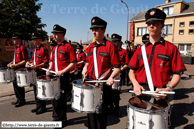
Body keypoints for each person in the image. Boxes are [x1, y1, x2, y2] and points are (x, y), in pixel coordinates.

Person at [128, 8, 187, 98]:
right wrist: (135, 84)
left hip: (160, 92)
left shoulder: (171, 49)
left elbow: (177, 73)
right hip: (139, 90)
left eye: (155, 23)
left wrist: (169, 88)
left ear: (162, 25)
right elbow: (131, 71)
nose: (151, 26)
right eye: (149, 24)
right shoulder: (140, 50)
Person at [82, 16, 121, 129]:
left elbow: (117, 67)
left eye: (97, 29)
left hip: (104, 85)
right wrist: (85, 68)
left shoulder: (110, 46)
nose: (94, 32)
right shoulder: (90, 47)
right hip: (90, 84)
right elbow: (87, 62)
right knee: (90, 113)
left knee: (101, 115)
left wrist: (111, 77)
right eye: (93, 30)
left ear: (103, 30)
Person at [46, 24, 77, 128]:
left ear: (62, 34)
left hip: (63, 77)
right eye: (53, 33)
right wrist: (49, 70)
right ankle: (56, 117)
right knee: (53, 98)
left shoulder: (68, 46)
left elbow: (73, 62)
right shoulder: (54, 48)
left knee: (61, 99)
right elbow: (52, 61)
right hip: (54, 76)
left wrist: (63, 71)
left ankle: (62, 119)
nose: (54, 35)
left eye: (55, 33)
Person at [25, 32, 49, 115]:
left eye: (35, 39)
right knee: (35, 90)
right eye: (33, 39)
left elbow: (46, 62)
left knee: (40, 90)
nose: (33, 41)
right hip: (34, 71)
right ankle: (38, 105)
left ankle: (43, 107)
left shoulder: (44, 49)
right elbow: (34, 61)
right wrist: (29, 63)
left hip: (41, 71)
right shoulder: (35, 49)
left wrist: (37, 66)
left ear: (40, 39)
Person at [7, 32, 29, 107]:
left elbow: (25, 60)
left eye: (14, 39)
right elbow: (15, 59)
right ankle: (18, 99)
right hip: (15, 68)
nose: (13, 40)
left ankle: (22, 100)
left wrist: (16, 65)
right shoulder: (16, 48)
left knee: (20, 85)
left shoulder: (22, 48)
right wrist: (10, 63)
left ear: (19, 39)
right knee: (15, 84)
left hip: (20, 68)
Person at [111, 33, 129, 116]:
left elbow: (127, 64)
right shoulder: (109, 50)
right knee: (108, 92)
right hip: (108, 73)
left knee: (115, 93)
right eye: (113, 41)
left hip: (117, 73)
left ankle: (117, 109)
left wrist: (120, 69)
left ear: (119, 42)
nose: (114, 43)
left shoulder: (124, 52)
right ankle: (110, 108)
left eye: (116, 41)